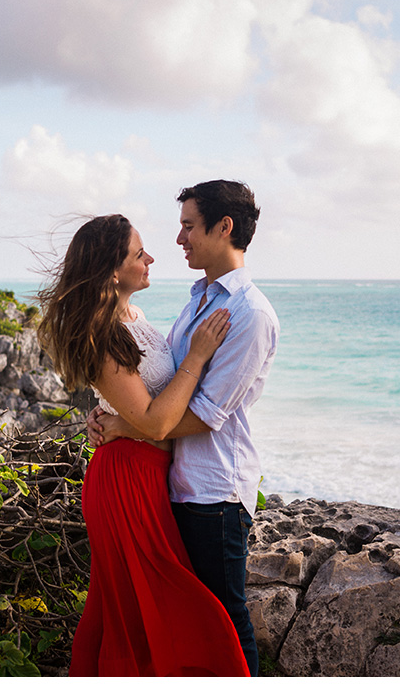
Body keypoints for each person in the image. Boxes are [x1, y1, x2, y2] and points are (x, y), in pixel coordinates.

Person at [36, 214, 248, 677]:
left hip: (150, 473)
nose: (151, 258)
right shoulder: (100, 331)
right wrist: (196, 355)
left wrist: (120, 424)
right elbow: (154, 420)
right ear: (114, 270)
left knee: (136, 606)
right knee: (152, 603)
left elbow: (142, 415)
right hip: (126, 482)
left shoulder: (134, 316)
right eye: (139, 254)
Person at [88, 180, 278, 677]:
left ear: (224, 227)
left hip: (214, 488)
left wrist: (129, 429)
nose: (179, 241)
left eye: (188, 227)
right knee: (183, 620)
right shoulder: (197, 302)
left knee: (223, 617)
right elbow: (161, 385)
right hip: (173, 484)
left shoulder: (249, 313)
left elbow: (208, 412)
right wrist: (121, 415)